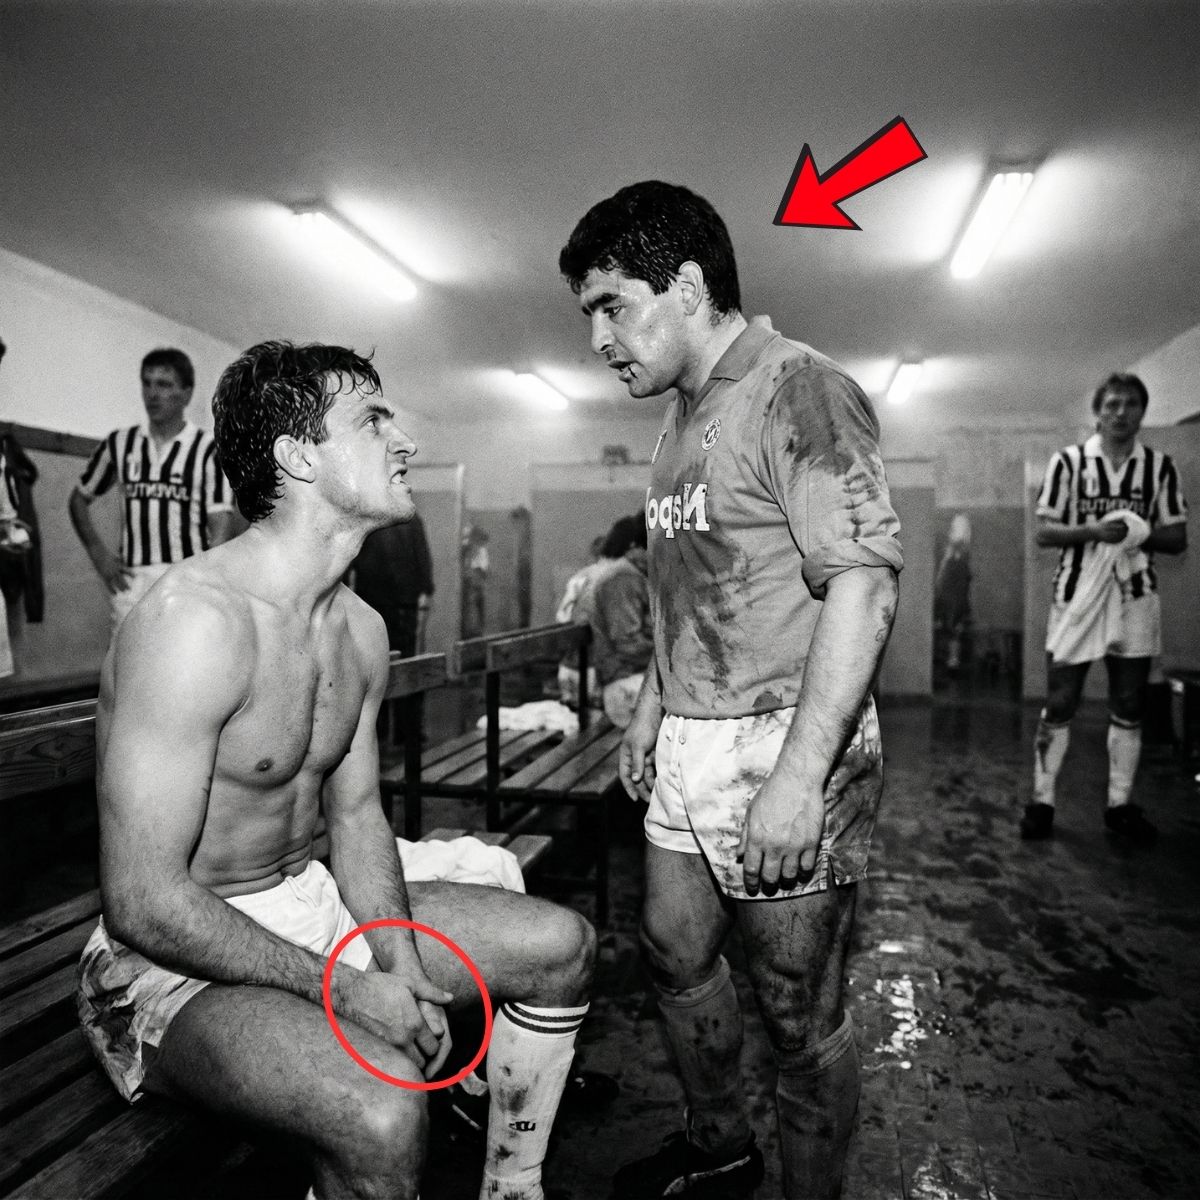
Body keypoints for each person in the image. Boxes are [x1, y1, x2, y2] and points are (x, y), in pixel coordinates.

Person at [76, 341, 596, 1200]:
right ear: (298, 455)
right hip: (167, 966)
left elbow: (356, 819)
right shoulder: (193, 624)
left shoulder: (359, 629)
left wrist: (398, 962)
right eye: (374, 419)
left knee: (562, 947)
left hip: (310, 906)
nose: (405, 441)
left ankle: (513, 1186)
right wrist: (349, 992)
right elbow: (140, 900)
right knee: (384, 1112)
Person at [559, 182, 902, 1200]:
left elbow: (865, 585)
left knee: (797, 1013)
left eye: (612, 306)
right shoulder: (678, 420)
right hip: (690, 736)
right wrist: (653, 709)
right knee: (671, 950)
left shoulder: (798, 387)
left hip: (789, 734)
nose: (597, 339)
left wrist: (799, 779)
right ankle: (720, 1145)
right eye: (588, 314)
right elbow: (683, 585)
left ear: (687, 284)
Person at [1022, 372, 1188, 843]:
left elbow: (1177, 537)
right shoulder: (1069, 463)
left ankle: (1119, 804)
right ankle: (1041, 801)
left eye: (1131, 404)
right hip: (1076, 594)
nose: (1120, 413)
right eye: (1112, 404)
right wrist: (1093, 531)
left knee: (1130, 701)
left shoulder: (1158, 467)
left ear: (1142, 413)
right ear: (1098, 412)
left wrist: (1138, 533)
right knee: (1061, 699)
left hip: (1135, 595)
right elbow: (1044, 532)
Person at [69, 348, 236, 630]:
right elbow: (78, 500)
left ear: (186, 394)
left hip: (185, 579)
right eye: (147, 383)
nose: (153, 394)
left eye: (164, 385)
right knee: (126, 655)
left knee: (183, 655)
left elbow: (221, 523)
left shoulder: (208, 448)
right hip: (132, 581)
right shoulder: (120, 443)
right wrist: (99, 555)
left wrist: (204, 578)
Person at [588, 514, 653, 729]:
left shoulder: (637, 574)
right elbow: (628, 645)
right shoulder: (623, 578)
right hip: (625, 684)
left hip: (638, 679)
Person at [350, 510, 435, 657]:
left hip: (372, 602)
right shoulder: (410, 517)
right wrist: (426, 590)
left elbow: (349, 559)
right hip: (404, 603)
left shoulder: (366, 516)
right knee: (404, 656)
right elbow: (423, 557)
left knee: (373, 656)